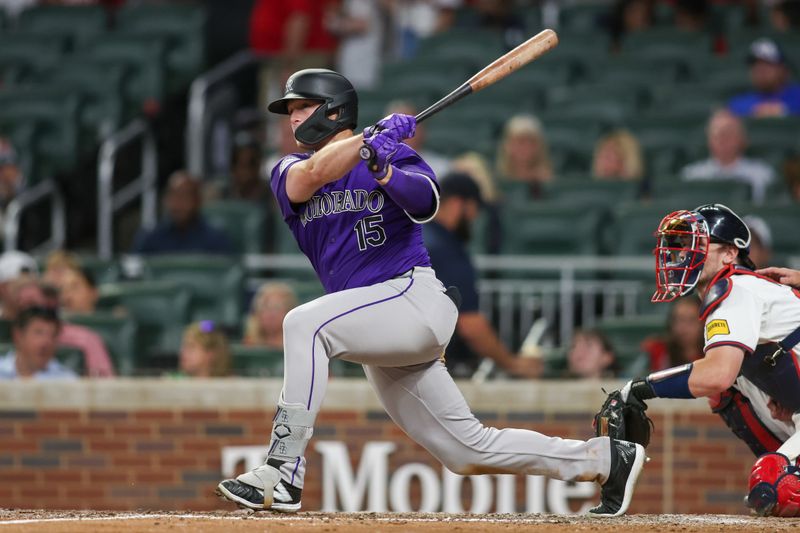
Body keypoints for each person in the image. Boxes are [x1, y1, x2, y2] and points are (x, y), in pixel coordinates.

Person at [216, 68, 645, 517]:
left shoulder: (391, 154)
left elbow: (426, 204)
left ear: (332, 109)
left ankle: (283, 470)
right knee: (467, 450)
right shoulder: (288, 168)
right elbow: (316, 173)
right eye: (290, 110)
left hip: (410, 298)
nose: (293, 118)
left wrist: (382, 167)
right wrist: (366, 141)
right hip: (376, 323)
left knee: (303, 323)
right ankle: (605, 459)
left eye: (302, 107)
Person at [608, 203, 800, 517]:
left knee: (777, 483)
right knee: (729, 393)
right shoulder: (741, 288)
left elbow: (716, 374)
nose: (684, 252)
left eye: (696, 243)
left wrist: (639, 388)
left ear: (729, 254)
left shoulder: (736, 287)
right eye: (682, 245)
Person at [423, 172, 541, 379]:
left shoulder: (420, 236)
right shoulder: (447, 250)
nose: (475, 218)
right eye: (474, 209)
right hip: (427, 368)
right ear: (459, 204)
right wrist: (512, 363)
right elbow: (471, 325)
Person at [681, 109, 774, 204]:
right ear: (709, 140)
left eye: (728, 133)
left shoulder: (761, 174)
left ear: (742, 139)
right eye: (716, 134)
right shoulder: (692, 176)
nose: (722, 138)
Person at [131, 171, 234, 255]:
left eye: (185, 197)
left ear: (197, 201)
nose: (178, 203)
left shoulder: (216, 239)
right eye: (174, 196)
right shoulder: (149, 238)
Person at [729, 37, 800, 118]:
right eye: (755, 64)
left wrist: (785, 110)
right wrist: (754, 111)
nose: (760, 69)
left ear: (783, 69)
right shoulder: (740, 102)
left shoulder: (798, 96)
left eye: (767, 63)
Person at [0, 306, 77, 380]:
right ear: (18, 336)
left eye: (53, 335)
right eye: (38, 333)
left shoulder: (67, 380)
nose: (46, 342)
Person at [385, 100, 451, 179]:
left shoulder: (441, 167)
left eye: (408, 126)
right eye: (396, 126)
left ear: (422, 130)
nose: (402, 132)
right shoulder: (373, 165)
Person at [495, 114, 553, 199]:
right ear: (507, 145)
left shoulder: (547, 181)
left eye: (531, 143)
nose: (525, 148)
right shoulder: (496, 181)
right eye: (520, 142)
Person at [640, 298, 703, 372]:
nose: (683, 327)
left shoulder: (713, 354)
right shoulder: (658, 350)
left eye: (691, 320)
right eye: (678, 319)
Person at [244, 282, 298, 349]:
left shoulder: (298, 344)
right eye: (265, 307)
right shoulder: (249, 343)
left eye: (277, 307)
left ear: (289, 311)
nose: (271, 314)